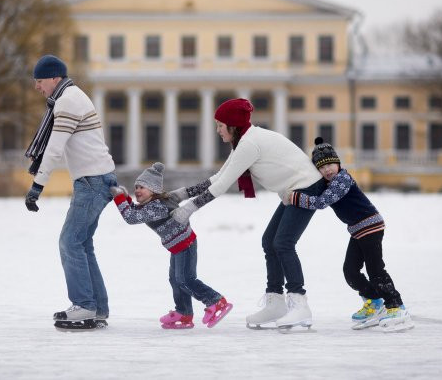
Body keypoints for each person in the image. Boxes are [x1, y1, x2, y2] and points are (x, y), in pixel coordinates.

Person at [168, 98, 326, 330]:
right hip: (294, 189)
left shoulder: (249, 144)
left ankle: (299, 304)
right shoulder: (245, 141)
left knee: (283, 243)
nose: (218, 130)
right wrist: (181, 195)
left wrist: (189, 209)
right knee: (270, 242)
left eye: (221, 125)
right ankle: (275, 302)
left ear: (232, 126)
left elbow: (222, 185)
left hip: (306, 187)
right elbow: (218, 177)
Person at [24, 54, 117, 328]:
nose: (37, 87)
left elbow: (54, 148)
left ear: (54, 78)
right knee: (83, 245)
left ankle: (84, 306)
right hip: (98, 178)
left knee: (69, 242)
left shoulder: (66, 101)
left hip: (92, 181)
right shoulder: (72, 96)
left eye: (39, 81)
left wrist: (37, 186)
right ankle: (97, 307)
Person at [284, 137, 413, 332]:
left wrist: (295, 197)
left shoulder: (342, 179)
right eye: (322, 167)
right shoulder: (328, 183)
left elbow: (321, 202)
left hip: (371, 226)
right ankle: (374, 301)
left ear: (338, 163)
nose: (327, 170)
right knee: (350, 272)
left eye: (330, 164)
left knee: (376, 270)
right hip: (357, 231)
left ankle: (396, 306)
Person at [110, 162, 233, 329]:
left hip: (185, 244)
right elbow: (136, 212)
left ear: (153, 190)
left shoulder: (157, 207)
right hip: (177, 246)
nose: (137, 190)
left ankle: (216, 302)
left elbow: (131, 217)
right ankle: (184, 313)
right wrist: (125, 197)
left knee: (185, 279)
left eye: (142, 187)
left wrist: (118, 198)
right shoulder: (152, 204)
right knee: (175, 280)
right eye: (136, 187)